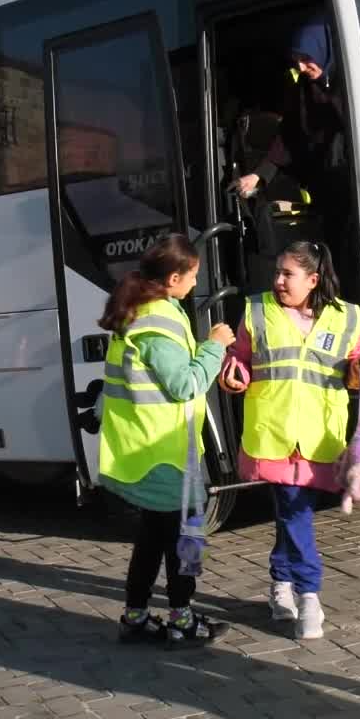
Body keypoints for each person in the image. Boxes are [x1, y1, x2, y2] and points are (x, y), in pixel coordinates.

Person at [217, 241, 360, 640]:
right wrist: (233, 372)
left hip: (318, 434)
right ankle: (309, 595)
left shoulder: (347, 317)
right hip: (272, 432)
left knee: (291, 513)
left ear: (313, 279)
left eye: (287, 274)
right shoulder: (257, 310)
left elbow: (354, 361)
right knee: (294, 511)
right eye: (277, 271)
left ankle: (280, 585)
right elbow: (240, 356)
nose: (278, 281)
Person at [231, 15, 360, 303]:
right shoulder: (306, 90)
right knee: (340, 265)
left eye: (306, 59)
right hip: (333, 194)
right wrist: (260, 174)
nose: (301, 68)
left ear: (324, 49)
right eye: (296, 61)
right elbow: (290, 137)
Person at [96, 234, 235, 648]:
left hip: (151, 450)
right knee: (182, 544)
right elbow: (185, 384)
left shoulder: (149, 309)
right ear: (174, 278)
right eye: (192, 276)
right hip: (162, 454)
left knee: (152, 540)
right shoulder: (158, 322)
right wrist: (215, 347)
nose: (196, 283)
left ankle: (136, 617)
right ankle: (182, 618)